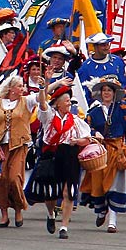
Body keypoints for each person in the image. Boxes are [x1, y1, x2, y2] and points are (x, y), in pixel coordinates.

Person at [29, 84, 85, 239]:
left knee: (69, 192)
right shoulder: (48, 116)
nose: (69, 103)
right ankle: (51, 213)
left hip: (70, 156)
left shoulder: (75, 119)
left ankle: (64, 227)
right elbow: (41, 103)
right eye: (67, 100)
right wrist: (42, 87)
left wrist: (79, 141)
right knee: (50, 194)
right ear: (58, 103)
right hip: (52, 156)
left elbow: (87, 137)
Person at [83, 78, 126, 233]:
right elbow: (86, 128)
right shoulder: (93, 112)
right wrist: (94, 133)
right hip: (100, 152)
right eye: (104, 90)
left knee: (115, 186)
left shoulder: (122, 109)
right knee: (99, 185)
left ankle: (112, 221)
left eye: (109, 90)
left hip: (117, 152)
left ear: (114, 93)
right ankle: (100, 211)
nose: (106, 93)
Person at [0, 76, 32, 228]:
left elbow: (42, 97)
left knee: (15, 178)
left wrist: (46, 83)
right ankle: (4, 215)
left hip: (19, 145)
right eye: (19, 86)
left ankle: (19, 209)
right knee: (1, 180)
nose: (22, 88)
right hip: (0, 146)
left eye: (23, 86)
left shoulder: (26, 101)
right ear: (11, 88)